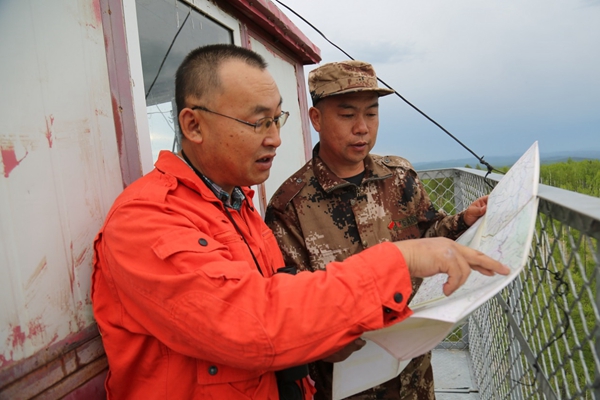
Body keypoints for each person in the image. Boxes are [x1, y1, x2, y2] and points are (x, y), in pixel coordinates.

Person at [92, 45, 508, 400]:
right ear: (193, 125)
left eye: (277, 119)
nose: (274, 137)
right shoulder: (147, 220)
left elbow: (289, 298)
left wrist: (326, 340)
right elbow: (253, 323)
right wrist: (401, 260)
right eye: (258, 121)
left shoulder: (236, 209)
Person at [265, 60, 490, 400]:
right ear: (316, 119)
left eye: (371, 113)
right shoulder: (290, 208)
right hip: (347, 386)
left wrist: (464, 221)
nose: (362, 128)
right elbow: (291, 304)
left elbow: (429, 234)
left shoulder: (399, 177)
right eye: (347, 115)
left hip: (415, 376)